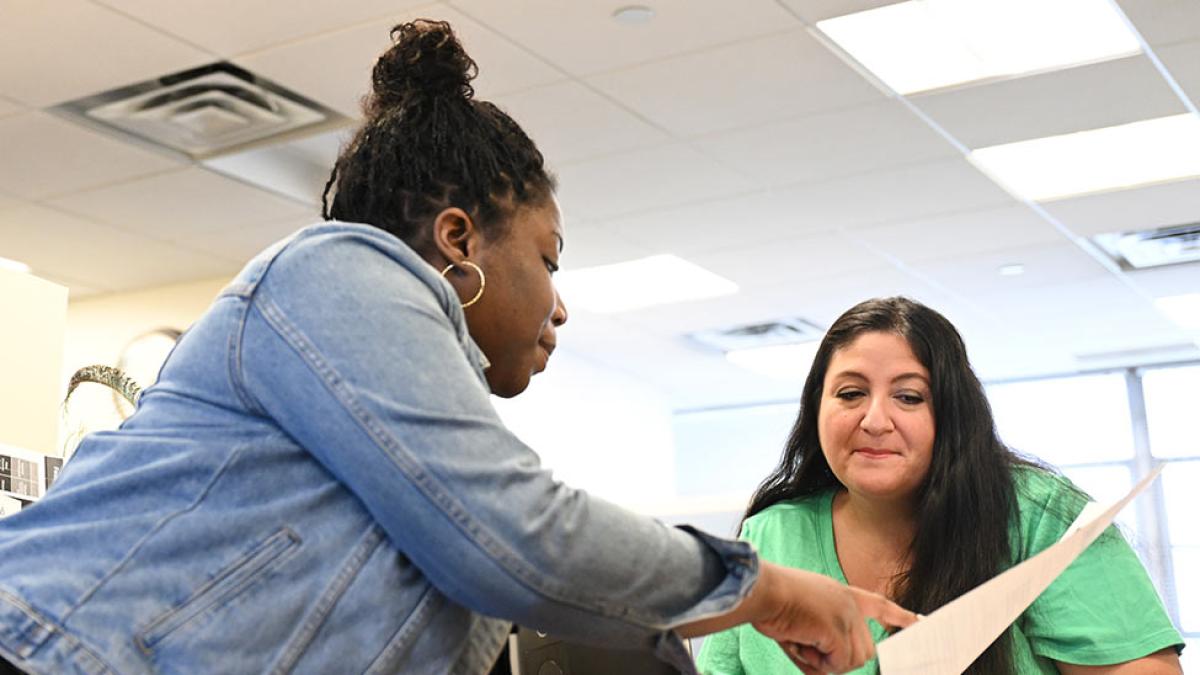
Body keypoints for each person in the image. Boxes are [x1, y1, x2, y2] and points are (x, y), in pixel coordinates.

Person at [0, 21, 915, 675]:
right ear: (458, 238)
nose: (559, 307)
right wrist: (775, 593)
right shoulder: (339, 268)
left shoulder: (419, 455)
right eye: (549, 259)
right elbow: (522, 542)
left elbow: (543, 575)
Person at [696, 297, 1185, 675]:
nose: (874, 420)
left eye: (909, 397)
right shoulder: (770, 536)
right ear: (815, 409)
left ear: (951, 413)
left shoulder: (1039, 517)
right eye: (850, 393)